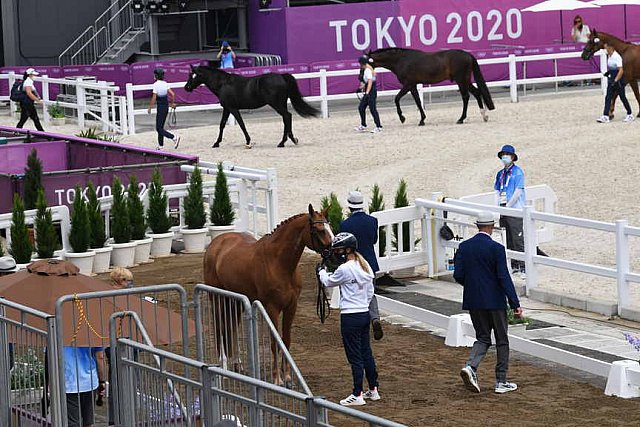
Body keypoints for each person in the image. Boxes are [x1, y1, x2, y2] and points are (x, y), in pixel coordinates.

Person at [454, 211, 522, 394]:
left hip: (474, 300)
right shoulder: (496, 249)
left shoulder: (464, 247)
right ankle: (501, 380)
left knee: (483, 337)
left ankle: (471, 366)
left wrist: (473, 287)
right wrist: (515, 303)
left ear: (477, 225)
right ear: (491, 226)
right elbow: (503, 277)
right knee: (501, 340)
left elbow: (458, 275)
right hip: (495, 301)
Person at [318, 233, 380, 406]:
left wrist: (321, 272)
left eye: (338, 250)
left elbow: (329, 282)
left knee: (354, 356)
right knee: (366, 352)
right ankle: (373, 389)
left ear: (347, 250)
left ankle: (357, 393)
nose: (336, 253)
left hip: (350, 316)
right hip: (363, 313)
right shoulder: (365, 265)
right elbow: (369, 293)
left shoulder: (345, 269)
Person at [339, 191, 383, 340]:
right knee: (370, 292)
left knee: (353, 293)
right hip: (369, 262)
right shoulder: (373, 221)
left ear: (350, 206)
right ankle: (375, 318)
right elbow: (374, 240)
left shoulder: (345, 224)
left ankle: (360, 322)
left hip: (353, 262)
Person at [494, 144, 526, 276]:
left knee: (517, 238)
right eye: (503, 155)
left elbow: (518, 191)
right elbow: (496, 190)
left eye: (508, 155)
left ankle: (523, 267)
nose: (505, 157)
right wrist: (497, 208)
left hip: (515, 209)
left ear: (513, 157)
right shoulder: (500, 174)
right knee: (507, 239)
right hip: (503, 210)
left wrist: (508, 206)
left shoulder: (518, 172)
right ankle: (513, 265)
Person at [63, 346, 106, 427]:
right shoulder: (94, 333)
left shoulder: (59, 333)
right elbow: (100, 357)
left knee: (73, 422)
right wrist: (102, 381)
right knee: (88, 421)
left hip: (69, 382)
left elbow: (50, 357)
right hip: (89, 382)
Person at [597, 42, 634, 123]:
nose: (605, 49)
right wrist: (609, 72)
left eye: (606, 47)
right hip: (611, 80)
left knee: (622, 97)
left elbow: (621, 70)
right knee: (608, 97)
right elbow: (613, 68)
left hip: (618, 80)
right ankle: (605, 115)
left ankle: (630, 114)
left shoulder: (616, 56)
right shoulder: (609, 56)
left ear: (611, 48)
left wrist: (616, 80)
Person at [147, 68, 181, 150]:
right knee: (160, 127)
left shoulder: (155, 85)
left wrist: (150, 107)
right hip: (165, 106)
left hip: (160, 107)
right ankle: (160, 146)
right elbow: (173, 94)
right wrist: (172, 103)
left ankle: (174, 137)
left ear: (156, 75)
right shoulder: (165, 83)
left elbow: (154, 98)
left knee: (158, 128)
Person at [354, 55, 382, 134]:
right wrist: (361, 87)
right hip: (368, 90)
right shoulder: (366, 69)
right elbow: (366, 82)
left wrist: (367, 93)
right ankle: (363, 125)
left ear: (362, 63)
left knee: (373, 109)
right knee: (361, 107)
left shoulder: (367, 71)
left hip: (371, 91)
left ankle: (378, 126)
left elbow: (370, 82)